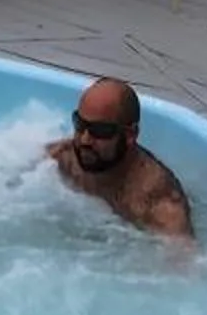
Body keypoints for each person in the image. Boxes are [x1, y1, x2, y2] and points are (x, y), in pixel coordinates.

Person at [45, 77, 193, 240]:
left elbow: (183, 258)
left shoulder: (156, 202)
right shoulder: (65, 156)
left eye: (100, 131)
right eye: (80, 125)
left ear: (130, 135)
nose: (85, 140)